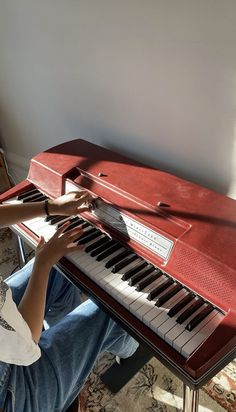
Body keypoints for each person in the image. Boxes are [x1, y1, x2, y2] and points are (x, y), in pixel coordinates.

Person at [0, 191, 138, 412]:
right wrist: (42, 263)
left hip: (6, 333)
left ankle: (73, 338)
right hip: (14, 396)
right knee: (112, 306)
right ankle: (130, 348)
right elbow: (24, 341)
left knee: (62, 268)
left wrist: (49, 207)